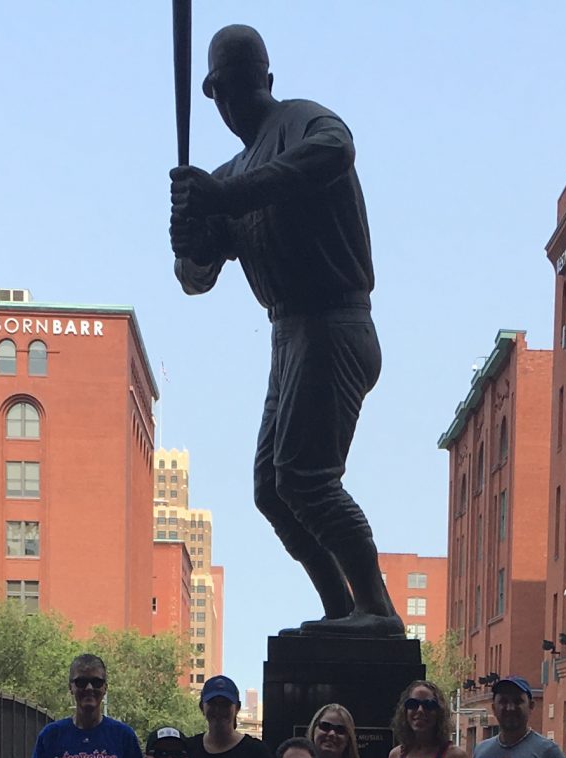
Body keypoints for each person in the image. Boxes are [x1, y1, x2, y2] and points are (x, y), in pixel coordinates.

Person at [168, 24, 403, 635]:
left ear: (268, 81)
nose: (241, 98)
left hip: (334, 321)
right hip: (290, 334)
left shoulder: (303, 122)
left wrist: (224, 195)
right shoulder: (231, 170)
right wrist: (189, 240)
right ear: (212, 92)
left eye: (251, 84)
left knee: (305, 478)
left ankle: (375, 609)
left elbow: (336, 152)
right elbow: (197, 279)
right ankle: (340, 607)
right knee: (273, 490)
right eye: (229, 88)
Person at [28, 652, 144, 758]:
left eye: (96, 682)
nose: (89, 688)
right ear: (71, 687)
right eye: (81, 682)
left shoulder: (124, 736)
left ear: (105, 688)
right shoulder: (50, 736)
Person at [184, 674, 277, 758]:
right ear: (202, 707)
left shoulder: (257, 752)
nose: (218, 709)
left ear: (237, 708)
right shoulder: (187, 748)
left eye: (225, 704)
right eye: (212, 703)